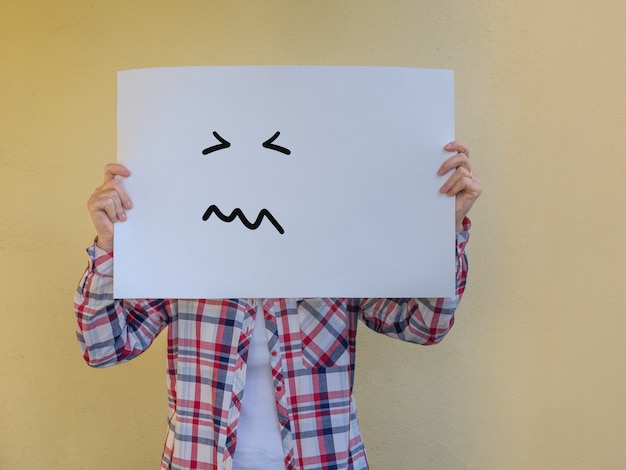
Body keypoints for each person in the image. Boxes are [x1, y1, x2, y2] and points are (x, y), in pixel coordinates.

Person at [74, 141, 481, 470]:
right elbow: (104, 347)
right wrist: (110, 247)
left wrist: (441, 230)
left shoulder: (341, 248)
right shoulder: (182, 251)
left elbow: (423, 326)